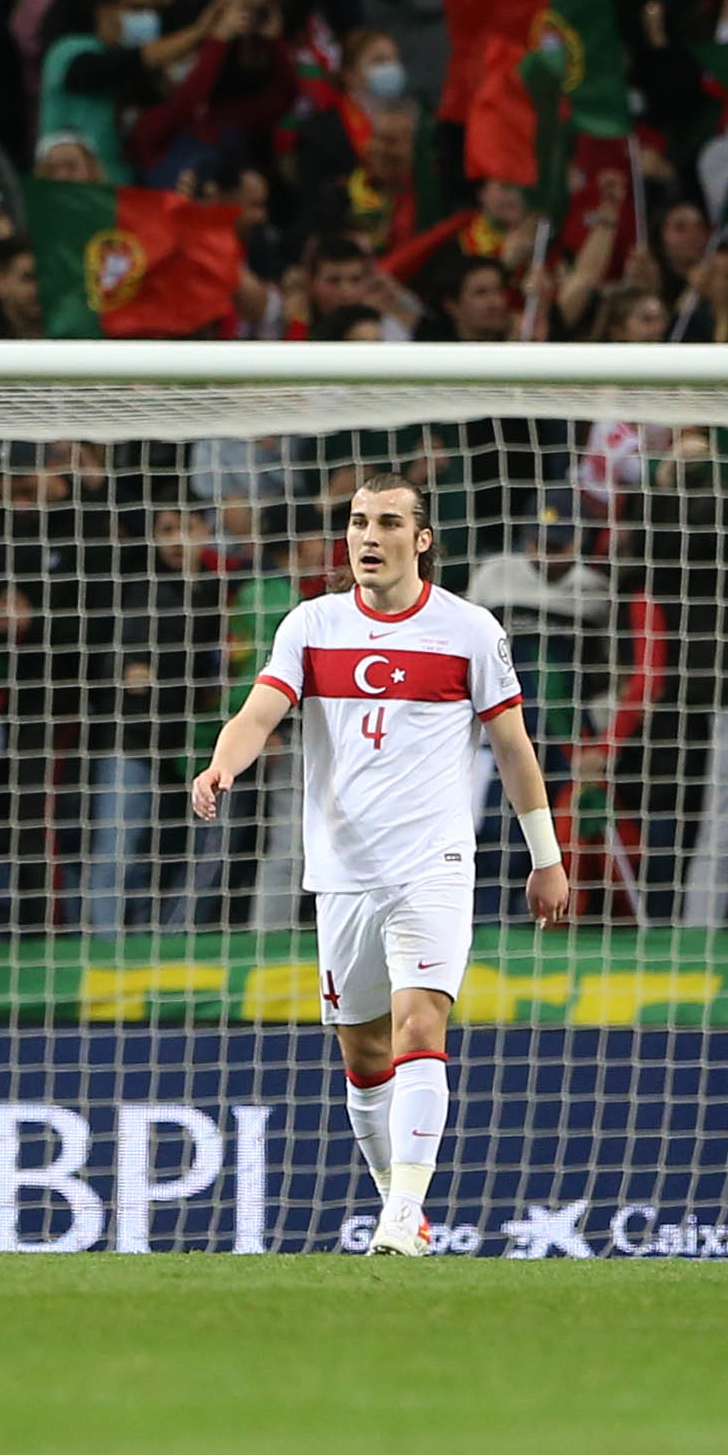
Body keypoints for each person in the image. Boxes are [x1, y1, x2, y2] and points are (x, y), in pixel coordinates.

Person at [187, 475, 566, 1259]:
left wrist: (547, 857)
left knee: (420, 1023)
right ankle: (398, 1197)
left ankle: (403, 1213)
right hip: (343, 875)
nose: (368, 534)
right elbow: (260, 709)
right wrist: (223, 764)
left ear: (421, 539)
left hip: (433, 863)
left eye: (388, 521)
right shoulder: (312, 624)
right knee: (363, 1056)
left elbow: (514, 748)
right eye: (359, 520)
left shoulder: (468, 630)